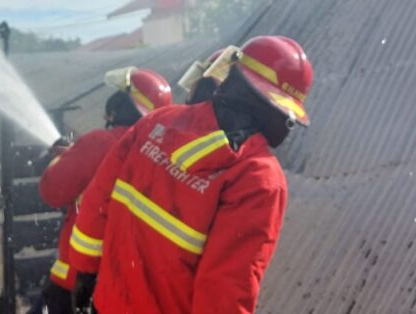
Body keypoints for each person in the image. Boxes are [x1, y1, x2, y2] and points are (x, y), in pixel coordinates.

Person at [68, 35, 313, 314]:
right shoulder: (259, 177)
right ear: (280, 110)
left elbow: (97, 201)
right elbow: (226, 288)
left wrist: (84, 272)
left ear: (231, 77)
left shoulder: (156, 123)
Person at [36, 67, 174, 314]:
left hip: (76, 283)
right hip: (125, 290)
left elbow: (52, 191)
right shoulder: (161, 156)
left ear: (114, 110)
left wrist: (61, 159)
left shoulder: (103, 141)